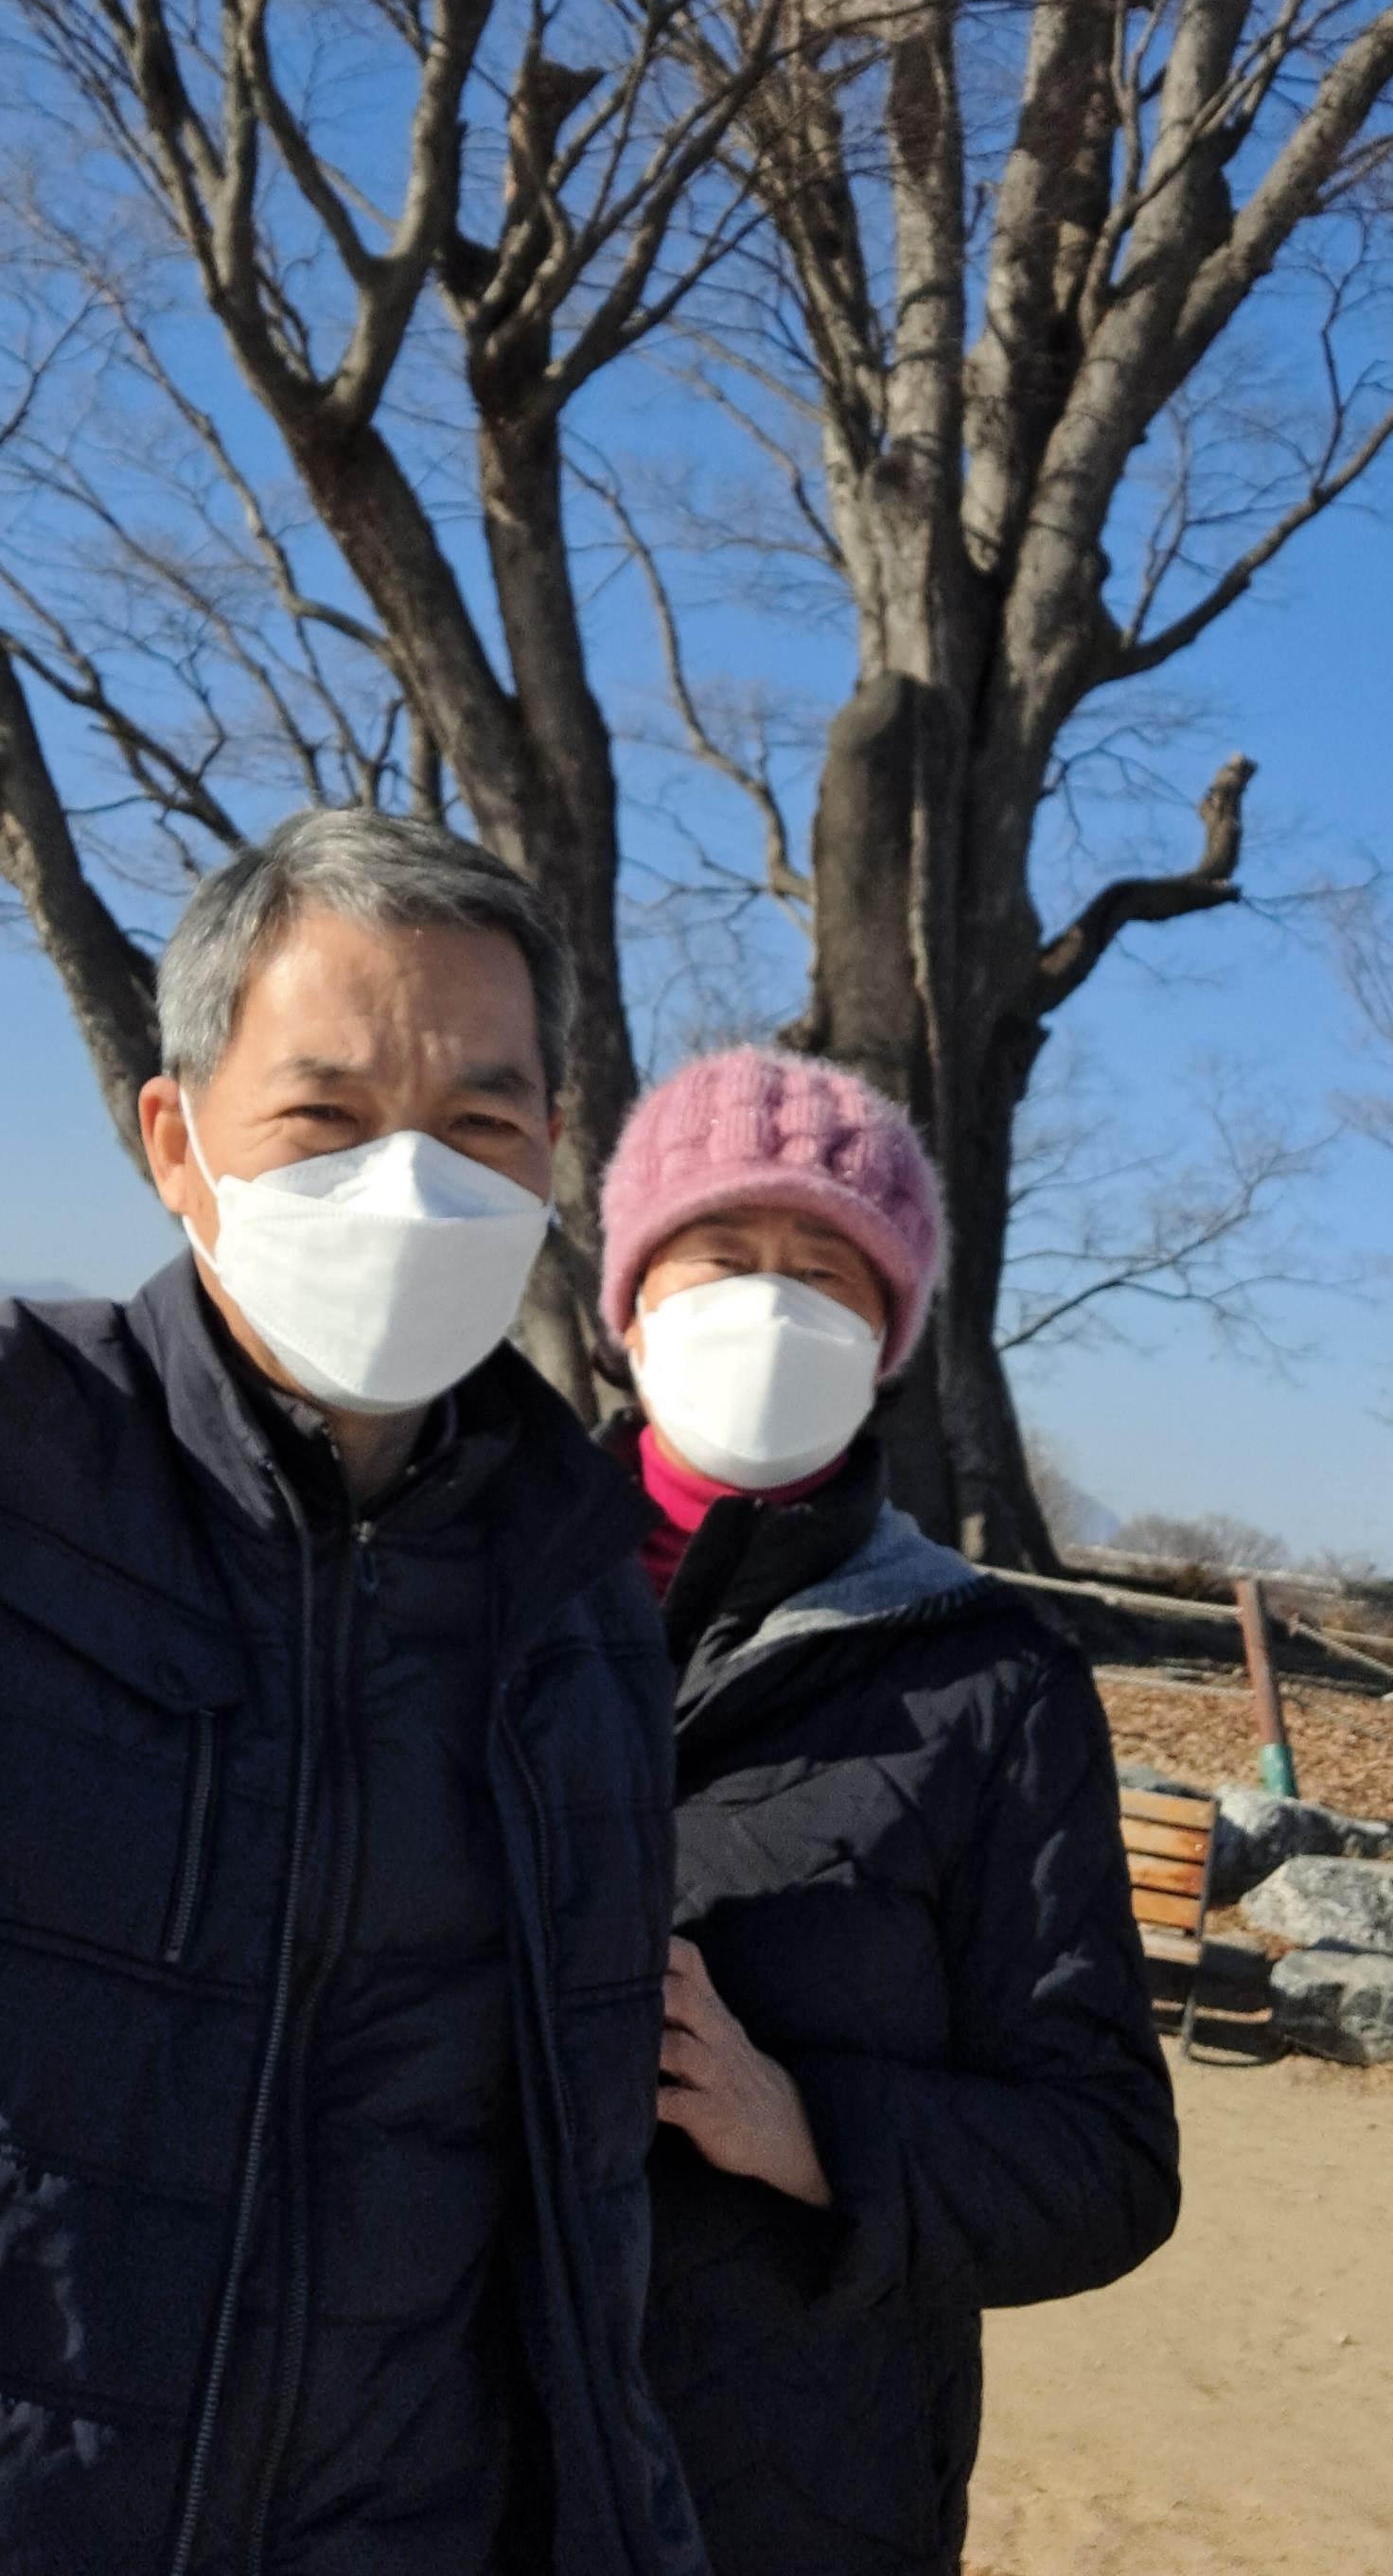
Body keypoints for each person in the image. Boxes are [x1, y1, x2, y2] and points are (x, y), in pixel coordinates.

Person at [0, 812, 706, 2576]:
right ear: (176, 1141)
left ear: (551, 1159)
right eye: (323, 1117)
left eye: (479, 1124)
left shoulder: (581, 1604)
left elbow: (572, 2214)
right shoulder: (24, 1464)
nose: (409, 1185)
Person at [598, 1045, 1182, 2576]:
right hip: (423, 2472)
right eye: (723, 1252)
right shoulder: (453, 1601)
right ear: (632, 1305)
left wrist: (807, 2128)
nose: (769, 1304)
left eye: (827, 1274)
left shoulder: (993, 1684)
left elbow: (1106, 2163)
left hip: (797, 2503)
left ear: (887, 1342)